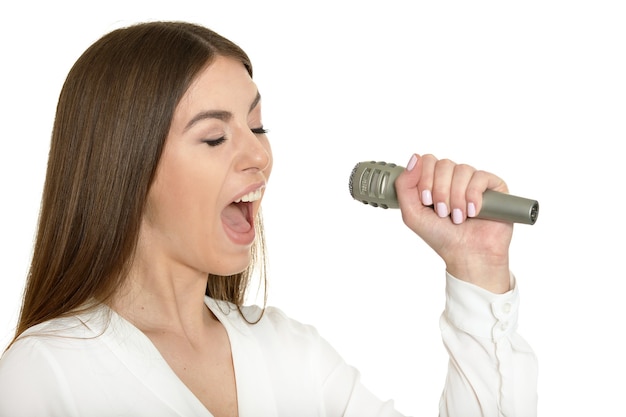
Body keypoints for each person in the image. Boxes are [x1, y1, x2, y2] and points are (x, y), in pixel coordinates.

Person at [0, 21, 537, 417]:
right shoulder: (47, 375)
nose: (258, 157)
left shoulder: (290, 355)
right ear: (125, 168)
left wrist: (477, 267)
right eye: (214, 136)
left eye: (257, 127)